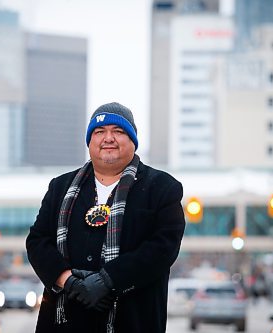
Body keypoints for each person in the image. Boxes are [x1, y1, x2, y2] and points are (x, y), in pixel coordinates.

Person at [26, 102, 186, 333]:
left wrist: (108, 280)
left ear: (133, 141)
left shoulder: (161, 187)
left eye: (118, 131)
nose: (108, 138)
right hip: (64, 323)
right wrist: (67, 280)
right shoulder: (60, 187)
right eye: (100, 132)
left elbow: (163, 247)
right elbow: (37, 241)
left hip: (133, 322)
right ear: (90, 141)